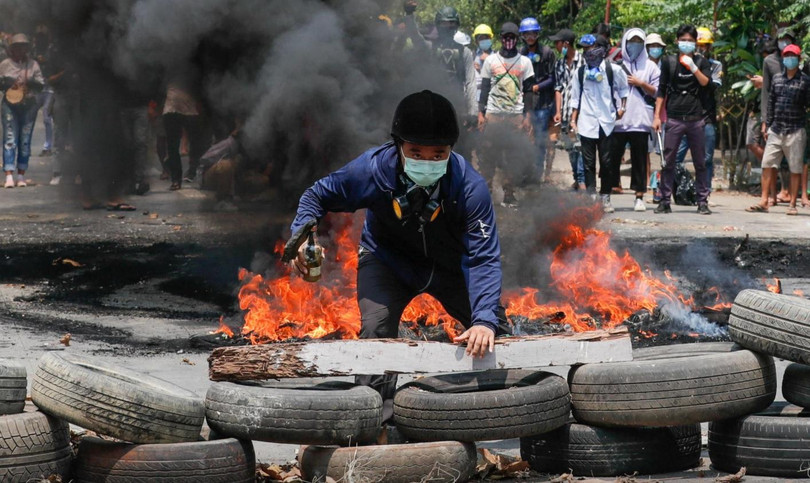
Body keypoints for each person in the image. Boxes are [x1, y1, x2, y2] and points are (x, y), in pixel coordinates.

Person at [288, 90, 509, 415]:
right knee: (376, 332)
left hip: (449, 268)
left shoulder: (469, 188)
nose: (427, 161)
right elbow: (315, 196)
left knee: (494, 331)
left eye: (438, 154)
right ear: (398, 145)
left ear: (451, 150)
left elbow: (484, 257)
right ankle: (371, 418)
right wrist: (304, 233)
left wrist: (485, 321)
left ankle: (506, 409)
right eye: (415, 152)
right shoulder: (370, 170)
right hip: (386, 262)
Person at [652, 24, 712, 215]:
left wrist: (693, 67)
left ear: (695, 43)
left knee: (700, 162)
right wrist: (657, 117)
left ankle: (702, 201)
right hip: (674, 118)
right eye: (683, 40)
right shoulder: (669, 62)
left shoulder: (702, 62)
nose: (686, 43)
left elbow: (706, 83)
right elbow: (661, 90)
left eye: (690, 41)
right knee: (668, 161)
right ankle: (664, 200)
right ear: (677, 41)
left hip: (696, 119)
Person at [746, 44, 810, 215]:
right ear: (783, 57)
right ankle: (764, 200)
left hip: (796, 129)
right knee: (767, 164)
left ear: (799, 59)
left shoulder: (805, 81)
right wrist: (767, 123)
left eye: (793, 56)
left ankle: (792, 205)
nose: (790, 59)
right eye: (787, 55)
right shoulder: (777, 79)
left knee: (795, 168)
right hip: (776, 129)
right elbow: (771, 101)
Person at [477, 22, 536, 205]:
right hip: (493, 115)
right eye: (506, 37)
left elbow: (528, 91)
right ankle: (485, 191)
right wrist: (481, 113)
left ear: (517, 39)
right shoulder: (490, 61)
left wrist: (527, 117)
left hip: (515, 116)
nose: (509, 41)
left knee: (513, 156)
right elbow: (485, 89)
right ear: (501, 39)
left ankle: (509, 193)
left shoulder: (525, 62)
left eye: (512, 37)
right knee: (488, 154)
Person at [570, 34, 629, 213]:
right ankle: (591, 197)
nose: (588, 52)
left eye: (592, 48)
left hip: (607, 122)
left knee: (607, 161)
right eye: (585, 49)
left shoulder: (613, 70)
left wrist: (622, 109)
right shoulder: (580, 72)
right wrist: (573, 120)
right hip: (587, 122)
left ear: (601, 50)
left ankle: (605, 197)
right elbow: (575, 98)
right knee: (588, 162)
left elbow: (624, 89)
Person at [610, 28, 660, 212]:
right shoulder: (616, 66)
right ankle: (608, 192)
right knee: (612, 158)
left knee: (639, 160)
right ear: (625, 43)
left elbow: (658, 91)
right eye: (632, 41)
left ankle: (639, 196)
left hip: (640, 119)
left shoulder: (650, 66)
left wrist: (641, 84)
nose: (635, 45)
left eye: (639, 41)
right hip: (618, 121)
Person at [403, 6, 477, 118]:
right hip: (432, 104)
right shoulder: (429, 47)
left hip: (456, 105)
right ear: (438, 25)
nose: (448, 27)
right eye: (444, 23)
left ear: (456, 25)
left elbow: (470, 83)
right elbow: (415, 36)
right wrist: (409, 15)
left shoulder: (464, 52)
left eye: (451, 23)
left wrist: (473, 112)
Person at [674, 27, 722, 194]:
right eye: (699, 45)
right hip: (684, 116)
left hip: (705, 117)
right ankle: (672, 189)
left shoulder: (715, 66)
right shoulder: (678, 63)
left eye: (705, 45)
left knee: (706, 159)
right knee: (675, 157)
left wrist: (696, 68)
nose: (702, 49)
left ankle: (704, 191)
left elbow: (711, 86)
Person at [0, 34, 44, 188]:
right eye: (17, 47)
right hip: (9, 105)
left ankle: (21, 175)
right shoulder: (5, 64)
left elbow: (41, 84)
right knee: (9, 139)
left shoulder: (33, 65)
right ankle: (9, 175)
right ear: (12, 49)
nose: (20, 50)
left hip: (28, 105)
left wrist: (30, 82)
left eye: (23, 47)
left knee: (25, 140)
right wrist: (6, 83)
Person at [519, 17, 557, 182]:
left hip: (542, 103)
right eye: (527, 34)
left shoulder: (547, 52)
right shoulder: (520, 53)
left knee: (540, 141)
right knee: (524, 139)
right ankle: (525, 174)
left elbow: (552, 78)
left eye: (533, 33)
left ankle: (537, 174)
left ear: (538, 34)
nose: (530, 37)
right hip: (525, 104)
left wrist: (537, 87)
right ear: (522, 35)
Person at [552, 28, 585, 191]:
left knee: (581, 148)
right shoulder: (559, 64)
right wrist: (558, 112)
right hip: (565, 113)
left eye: (557, 43)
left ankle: (582, 180)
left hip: (581, 114)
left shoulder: (584, 61)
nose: (556, 46)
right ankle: (577, 179)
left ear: (566, 44)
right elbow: (558, 88)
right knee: (570, 148)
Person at [32, 23, 54, 157]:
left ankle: (48, 146)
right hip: (38, 88)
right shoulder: (34, 50)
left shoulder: (52, 51)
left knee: (47, 117)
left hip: (50, 88)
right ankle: (24, 145)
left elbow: (56, 65)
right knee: (29, 115)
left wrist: (46, 60)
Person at [472, 24, 494, 104]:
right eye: (481, 38)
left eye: (486, 38)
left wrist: (485, 65)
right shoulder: (473, 55)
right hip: (476, 96)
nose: (484, 40)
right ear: (476, 41)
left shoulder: (496, 56)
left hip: (491, 97)